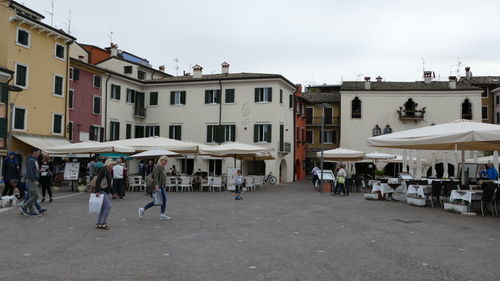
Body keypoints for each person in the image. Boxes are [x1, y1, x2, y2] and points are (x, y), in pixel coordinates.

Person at [138, 156, 170, 220]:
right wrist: (156, 185)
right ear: (161, 160)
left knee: (160, 201)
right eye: (165, 160)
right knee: (159, 201)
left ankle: (161, 214)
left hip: (161, 186)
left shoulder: (162, 167)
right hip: (158, 186)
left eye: (167, 161)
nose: (166, 162)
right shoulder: (158, 167)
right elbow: (155, 176)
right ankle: (143, 209)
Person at [20, 147, 41, 216]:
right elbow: (29, 172)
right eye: (38, 152)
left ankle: (31, 211)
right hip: (31, 180)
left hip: (33, 180)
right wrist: (33, 180)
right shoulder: (31, 160)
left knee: (31, 196)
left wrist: (39, 171)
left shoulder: (34, 160)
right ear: (34, 152)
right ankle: (23, 207)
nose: (39, 153)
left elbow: (34, 170)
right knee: (36, 195)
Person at [95, 159, 113, 229]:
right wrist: (97, 191)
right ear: (108, 164)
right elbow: (98, 181)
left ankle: (98, 223)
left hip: (105, 191)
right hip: (101, 190)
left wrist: (113, 193)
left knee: (102, 208)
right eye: (112, 164)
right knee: (108, 206)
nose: (112, 166)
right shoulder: (103, 170)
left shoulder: (108, 171)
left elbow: (109, 183)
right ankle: (103, 223)